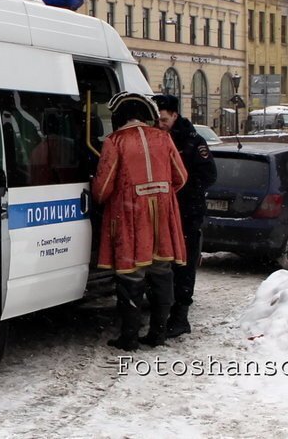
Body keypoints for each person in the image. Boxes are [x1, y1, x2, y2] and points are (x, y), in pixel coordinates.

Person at [92, 92, 187, 351]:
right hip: (163, 214)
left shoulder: (115, 141)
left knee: (131, 275)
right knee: (161, 273)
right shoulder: (163, 137)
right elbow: (181, 177)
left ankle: (129, 337)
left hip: (131, 215)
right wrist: (161, 192)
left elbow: (102, 188)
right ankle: (158, 332)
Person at [152, 94, 217, 339]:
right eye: (157, 119)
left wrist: (182, 190)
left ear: (175, 115)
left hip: (187, 212)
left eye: (164, 119)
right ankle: (162, 312)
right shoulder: (157, 137)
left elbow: (209, 176)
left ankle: (180, 317)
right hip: (164, 211)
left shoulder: (193, 141)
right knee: (162, 263)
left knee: (184, 264)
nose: (160, 123)